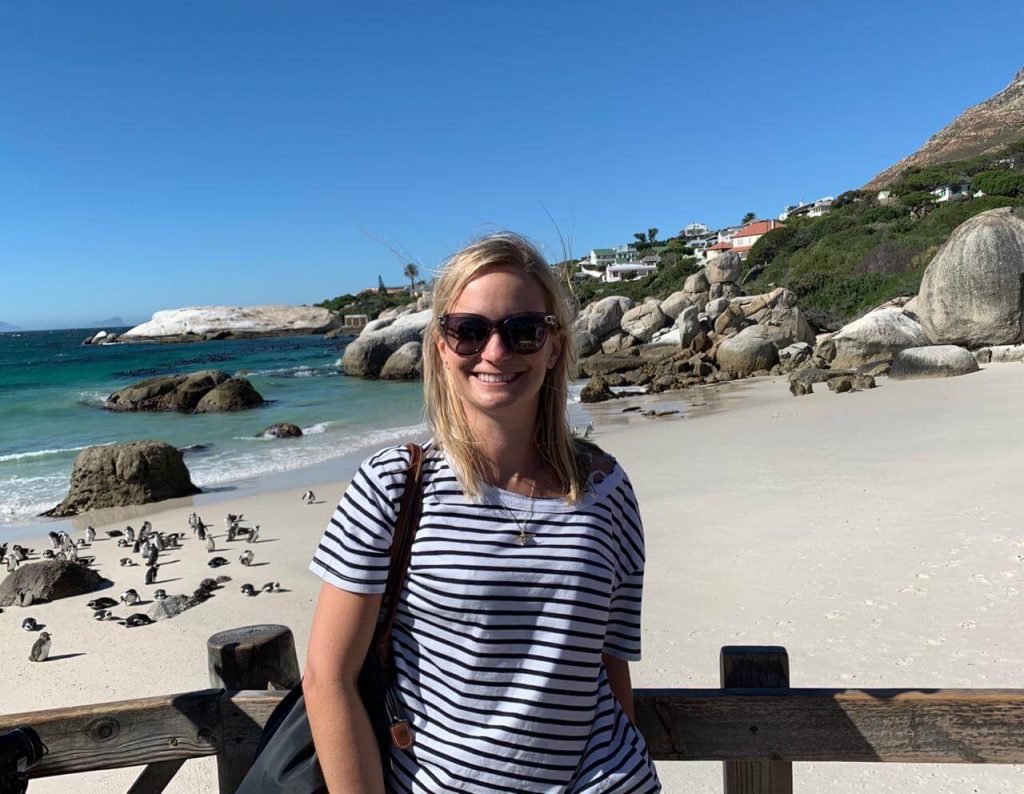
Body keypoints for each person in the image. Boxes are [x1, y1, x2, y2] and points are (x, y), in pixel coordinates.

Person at [306, 233, 661, 792]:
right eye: (469, 330)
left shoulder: (607, 489)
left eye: (523, 331)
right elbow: (328, 680)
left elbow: (610, 667)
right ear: (441, 346)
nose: (495, 352)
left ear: (555, 346)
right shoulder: (394, 486)